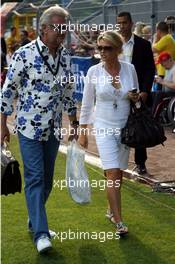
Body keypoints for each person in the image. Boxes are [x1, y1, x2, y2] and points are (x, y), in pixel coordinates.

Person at [1, 6, 78, 253]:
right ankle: (42, 234)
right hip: (28, 128)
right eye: (57, 27)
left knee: (46, 181)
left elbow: (68, 91)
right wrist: (2, 124)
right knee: (34, 178)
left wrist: (74, 122)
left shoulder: (66, 56)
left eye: (65, 28)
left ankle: (35, 219)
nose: (62, 33)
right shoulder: (24, 54)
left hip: (54, 128)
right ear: (43, 29)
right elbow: (8, 92)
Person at [78, 31, 139, 235]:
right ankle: (119, 221)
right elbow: (87, 105)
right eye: (100, 48)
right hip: (103, 126)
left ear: (118, 49)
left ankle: (110, 210)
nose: (102, 52)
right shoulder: (93, 72)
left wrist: (133, 96)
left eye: (107, 48)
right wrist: (83, 131)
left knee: (118, 173)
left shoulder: (130, 69)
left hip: (125, 128)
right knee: (112, 172)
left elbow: (137, 99)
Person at [116, 12, 155, 175]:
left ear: (131, 24)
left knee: (139, 128)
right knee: (118, 127)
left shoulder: (143, 45)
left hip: (137, 93)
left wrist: (145, 90)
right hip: (117, 93)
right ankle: (116, 162)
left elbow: (150, 70)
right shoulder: (113, 44)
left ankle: (141, 163)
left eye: (124, 23)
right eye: (119, 23)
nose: (121, 26)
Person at [152, 21, 175, 88]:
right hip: (165, 69)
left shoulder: (166, 38)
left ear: (158, 30)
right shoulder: (167, 38)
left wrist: (155, 39)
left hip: (164, 70)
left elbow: (153, 49)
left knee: (160, 93)